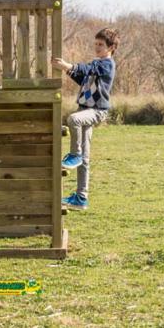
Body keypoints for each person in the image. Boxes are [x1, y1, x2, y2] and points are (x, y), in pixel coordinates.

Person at [52, 28, 120, 210]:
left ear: (111, 47)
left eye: (101, 45)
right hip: (86, 110)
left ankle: (75, 154)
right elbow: (83, 78)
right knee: (86, 159)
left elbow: (88, 68)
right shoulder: (97, 63)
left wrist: (68, 65)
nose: (97, 47)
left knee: (73, 119)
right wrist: (67, 70)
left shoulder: (106, 64)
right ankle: (81, 197)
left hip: (96, 111)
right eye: (96, 44)